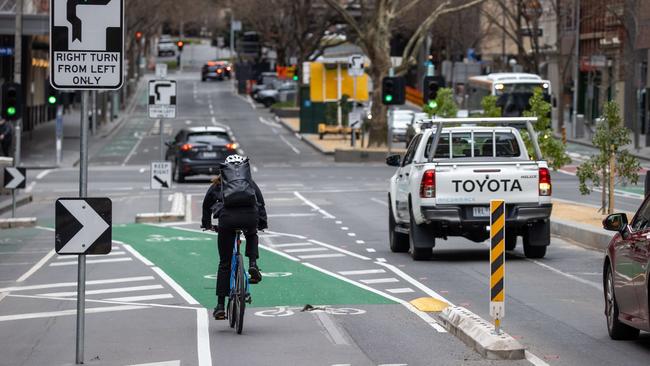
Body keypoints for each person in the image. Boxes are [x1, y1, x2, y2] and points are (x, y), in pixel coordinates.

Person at [201, 154, 267, 320]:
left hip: (227, 221)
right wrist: (262, 223)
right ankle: (253, 263)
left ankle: (220, 306)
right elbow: (260, 202)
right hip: (250, 217)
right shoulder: (249, 182)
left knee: (224, 263)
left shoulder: (219, 183)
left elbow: (206, 205)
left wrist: (207, 224)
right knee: (252, 234)